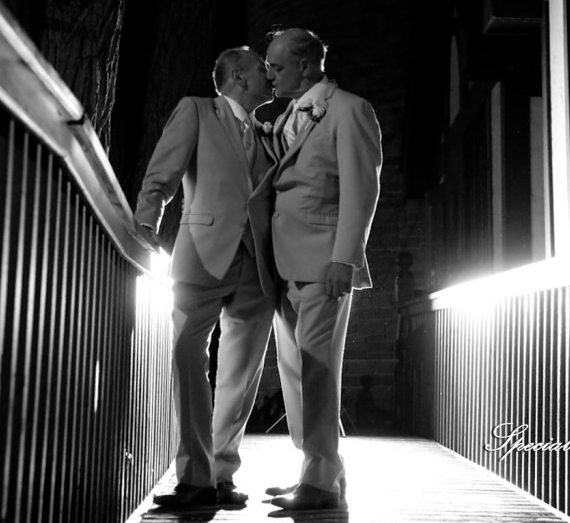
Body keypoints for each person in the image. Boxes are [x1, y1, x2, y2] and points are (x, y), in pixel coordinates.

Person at [133, 46, 278, 507]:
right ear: (238, 75)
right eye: (262, 69)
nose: (271, 75)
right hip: (201, 254)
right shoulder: (196, 110)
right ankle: (194, 475)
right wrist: (145, 226)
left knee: (241, 374)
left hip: (257, 265)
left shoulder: (267, 132)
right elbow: (162, 174)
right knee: (186, 356)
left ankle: (221, 474)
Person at [263, 27, 383, 510]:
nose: (270, 75)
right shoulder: (288, 115)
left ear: (306, 65)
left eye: (277, 67)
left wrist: (345, 258)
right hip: (283, 262)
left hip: (323, 260)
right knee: (294, 370)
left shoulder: (350, 109)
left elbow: (362, 188)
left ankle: (320, 480)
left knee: (317, 369)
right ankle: (318, 468)